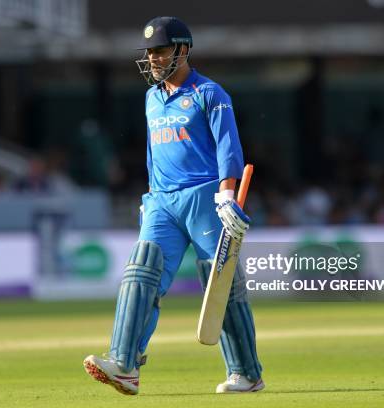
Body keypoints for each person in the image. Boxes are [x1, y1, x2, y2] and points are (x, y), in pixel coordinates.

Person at [83, 16, 264, 395]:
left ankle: (246, 373)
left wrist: (227, 196)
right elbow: (154, 154)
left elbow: (228, 145)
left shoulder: (210, 93)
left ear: (183, 51)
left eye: (161, 51)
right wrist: (149, 197)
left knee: (220, 287)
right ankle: (125, 364)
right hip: (162, 202)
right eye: (149, 52)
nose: (153, 59)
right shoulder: (151, 98)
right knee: (140, 273)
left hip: (205, 198)